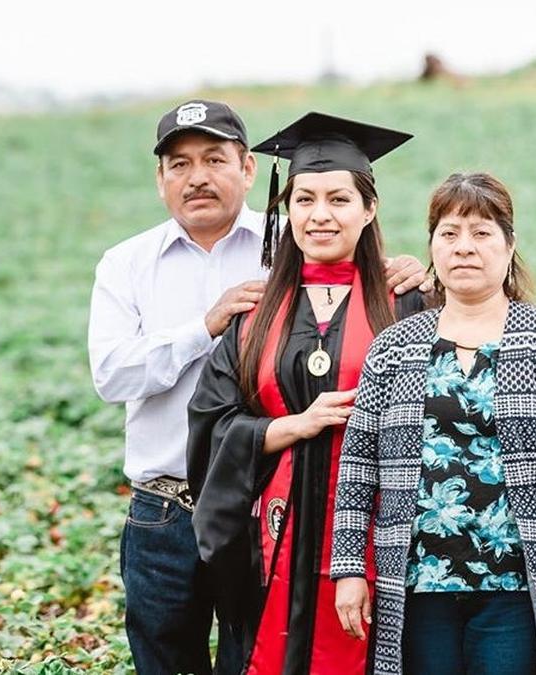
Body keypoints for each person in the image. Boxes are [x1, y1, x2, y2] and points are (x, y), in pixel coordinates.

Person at [89, 101, 429, 675]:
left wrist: (410, 277)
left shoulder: (286, 247)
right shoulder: (127, 264)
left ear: (249, 170)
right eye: (179, 164)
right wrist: (206, 326)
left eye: (214, 159)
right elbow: (112, 375)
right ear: (161, 177)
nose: (197, 176)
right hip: (170, 509)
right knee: (173, 659)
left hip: (284, 516)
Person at [331, 172, 536, 675]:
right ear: (433, 246)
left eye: (481, 233)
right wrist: (349, 569)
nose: (465, 248)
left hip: (517, 585)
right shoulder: (395, 347)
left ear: (508, 245)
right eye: (450, 233)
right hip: (417, 583)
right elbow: (357, 468)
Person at [186, 111, 427, 675]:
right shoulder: (255, 315)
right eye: (304, 199)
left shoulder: (409, 305)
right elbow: (209, 424)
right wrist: (287, 427)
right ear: (285, 209)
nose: (320, 215)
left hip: (381, 542)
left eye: (340, 200)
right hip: (271, 545)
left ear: (369, 211)